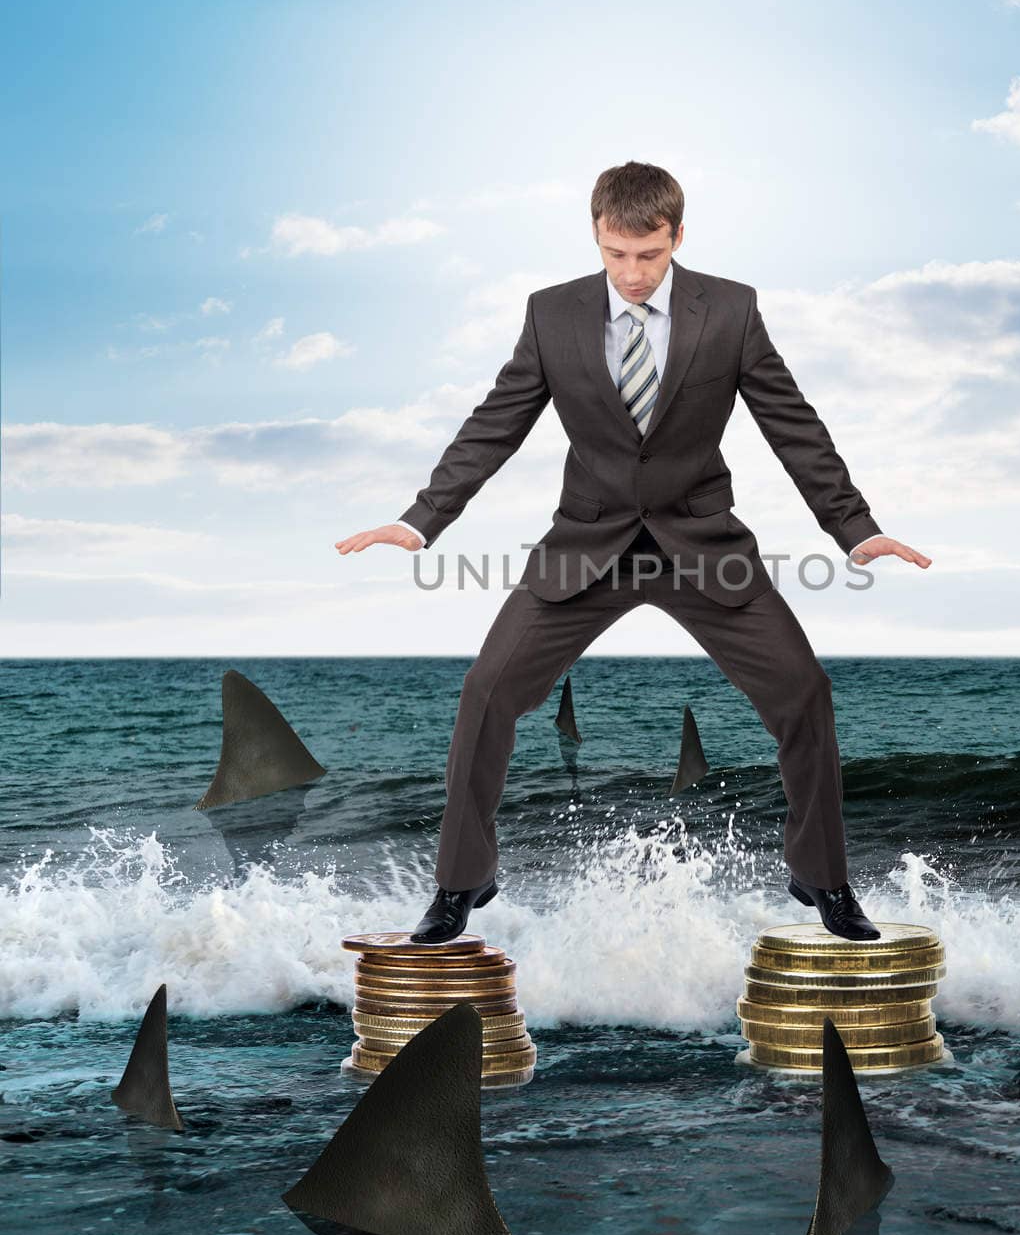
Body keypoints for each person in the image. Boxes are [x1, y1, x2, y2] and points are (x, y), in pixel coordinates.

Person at [335, 161, 931, 944]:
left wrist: (853, 528)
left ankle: (822, 878)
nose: (633, 273)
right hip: (587, 544)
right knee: (486, 694)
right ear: (597, 235)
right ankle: (462, 880)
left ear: (677, 236)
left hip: (702, 544)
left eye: (648, 255)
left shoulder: (733, 310)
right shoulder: (552, 315)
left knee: (804, 693)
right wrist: (421, 520)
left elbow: (793, 424)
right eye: (616, 255)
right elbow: (496, 424)